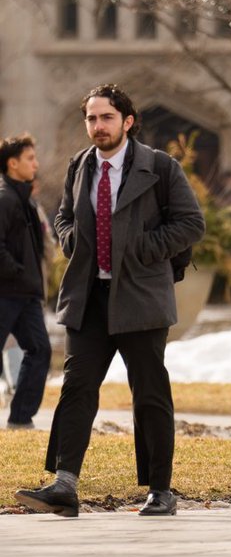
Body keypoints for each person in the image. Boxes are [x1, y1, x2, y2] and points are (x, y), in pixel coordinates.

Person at [15, 84, 204, 518]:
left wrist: (139, 248)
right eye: (92, 119)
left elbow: (191, 224)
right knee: (77, 389)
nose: (98, 127)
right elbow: (64, 215)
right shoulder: (79, 166)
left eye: (106, 118)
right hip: (88, 299)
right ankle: (64, 485)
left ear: (127, 121)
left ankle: (160, 490)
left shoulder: (159, 167)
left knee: (150, 395)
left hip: (140, 298)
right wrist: (69, 239)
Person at [0, 134, 52, 430]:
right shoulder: (4, 198)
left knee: (40, 349)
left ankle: (21, 418)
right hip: (6, 291)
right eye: (30, 158)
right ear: (12, 163)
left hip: (27, 294)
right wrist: (17, 272)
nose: (36, 164)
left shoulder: (26, 200)